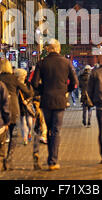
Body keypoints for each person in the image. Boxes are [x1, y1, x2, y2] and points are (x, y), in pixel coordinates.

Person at [31, 39, 78, 171]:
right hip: (60, 100)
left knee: (49, 129)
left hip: (46, 100)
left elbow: (34, 83)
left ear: (48, 49)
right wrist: (65, 90)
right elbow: (74, 82)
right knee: (56, 130)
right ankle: (53, 160)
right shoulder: (66, 62)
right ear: (58, 48)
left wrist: (43, 90)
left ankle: (50, 157)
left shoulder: (42, 63)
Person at [0, 59, 33, 170]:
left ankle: (1, 158)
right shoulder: (14, 79)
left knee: (1, 134)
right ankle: (9, 157)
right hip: (13, 107)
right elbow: (28, 92)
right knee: (13, 134)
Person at [15, 68, 34, 145]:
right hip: (20, 105)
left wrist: (27, 101)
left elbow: (32, 93)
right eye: (23, 75)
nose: (24, 76)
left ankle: (30, 131)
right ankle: (25, 137)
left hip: (28, 105)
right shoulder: (16, 85)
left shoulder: (28, 84)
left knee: (29, 122)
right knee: (23, 121)